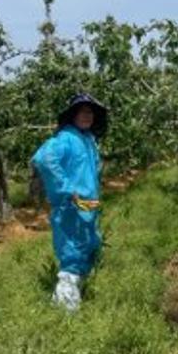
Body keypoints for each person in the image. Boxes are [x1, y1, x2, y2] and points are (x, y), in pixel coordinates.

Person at [32, 93, 108, 310]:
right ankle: (66, 312)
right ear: (73, 115)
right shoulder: (66, 138)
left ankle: (71, 299)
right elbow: (44, 158)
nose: (87, 116)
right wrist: (66, 189)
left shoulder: (88, 140)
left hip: (88, 206)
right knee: (72, 253)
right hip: (72, 206)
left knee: (89, 247)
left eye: (90, 112)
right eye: (82, 111)